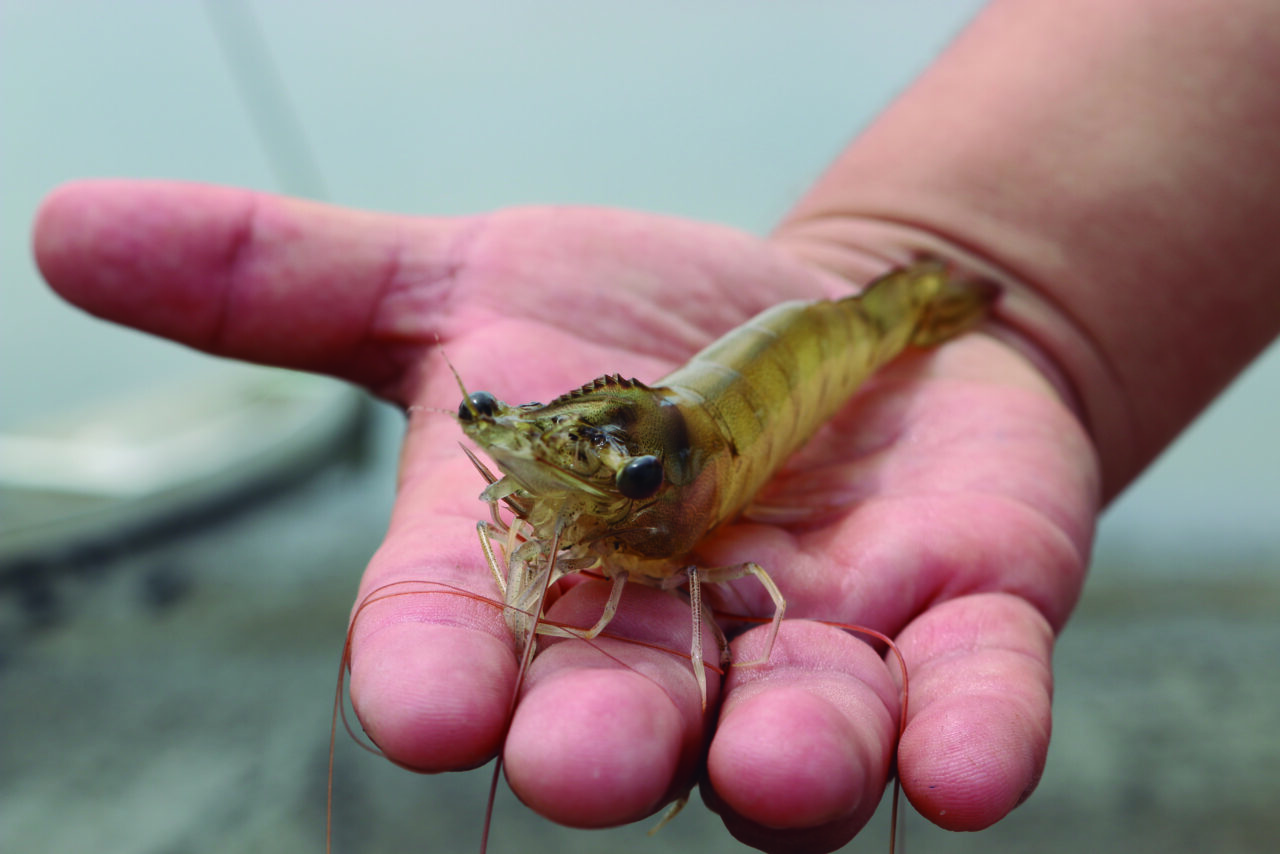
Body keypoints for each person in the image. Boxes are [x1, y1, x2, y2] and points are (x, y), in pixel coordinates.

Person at [31, 0, 1280, 851]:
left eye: (628, 482)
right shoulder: (558, 456)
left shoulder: (709, 476)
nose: (523, 487)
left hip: (822, 344)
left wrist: (1039, 296)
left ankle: (915, 305)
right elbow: (531, 452)